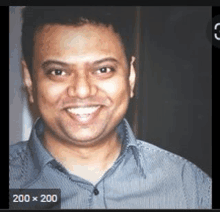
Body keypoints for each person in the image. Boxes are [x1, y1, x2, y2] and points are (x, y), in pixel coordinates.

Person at [9, 6, 211, 209]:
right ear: (29, 79)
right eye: (58, 72)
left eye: (103, 69)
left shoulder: (191, 190)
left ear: (130, 76)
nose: (81, 91)